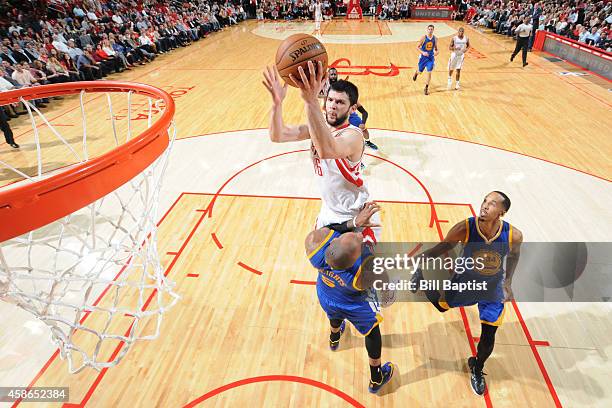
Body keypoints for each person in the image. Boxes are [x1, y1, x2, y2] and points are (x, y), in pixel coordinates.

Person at [410, 191, 523, 396]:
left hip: (492, 288)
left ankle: (477, 368)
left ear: (502, 212)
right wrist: (420, 261)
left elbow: (515, 255)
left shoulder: (514, 235)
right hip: (465, 282)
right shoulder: (465, 228)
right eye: (484, 201)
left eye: (492, 203)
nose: (485, 205)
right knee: (441, 306)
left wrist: (508, 282)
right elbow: (441, 247)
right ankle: (423, 279)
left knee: (489, 334)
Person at [263, 61, 381, 243]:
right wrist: (277, 103)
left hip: (356, 214)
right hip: (329, 210)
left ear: (352, 109)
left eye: (340, 102)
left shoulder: (353, 135)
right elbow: (278, 135)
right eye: (330, 100)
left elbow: (327, 149)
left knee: (357, 270)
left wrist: (310, 101)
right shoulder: (319, 127)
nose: (333, 105)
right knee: (323, 266)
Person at [305, 201, 394, 393]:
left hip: (327, 294)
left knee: (334, 313)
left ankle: (334, 337)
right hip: (355, 306)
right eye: (357, 238)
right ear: (356, 258)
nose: (359, 233)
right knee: (371, 331)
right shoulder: (363, 274)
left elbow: (327, 226)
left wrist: (352, 222)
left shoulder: (313, 244)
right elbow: (385, 289)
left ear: (334, 241)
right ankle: (376, 377)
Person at [319, 67, 378, 150]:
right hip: (336, 115)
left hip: (350, 115)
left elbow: (364, 112)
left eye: (334, 74)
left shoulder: (350, 99)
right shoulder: (327, 89)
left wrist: (363, 123)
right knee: (342, 139)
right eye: (331, 74)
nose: (333, 76)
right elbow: (323, 106)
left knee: (363, 131)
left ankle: (367, 142)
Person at [413, 24, 439, 95]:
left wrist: (437, 52)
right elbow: (417, 47)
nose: (430, 30)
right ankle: (416, 73)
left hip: (430, 57)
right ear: (427, 30)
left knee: (429, 72)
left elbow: (436, 49)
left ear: (433, 30)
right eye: (429, 29)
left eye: (431, 29)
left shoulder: (435, 39)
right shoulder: (423, 38)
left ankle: (426, 88)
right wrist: (423, 52)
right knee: (420, 71)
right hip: (423, 57)